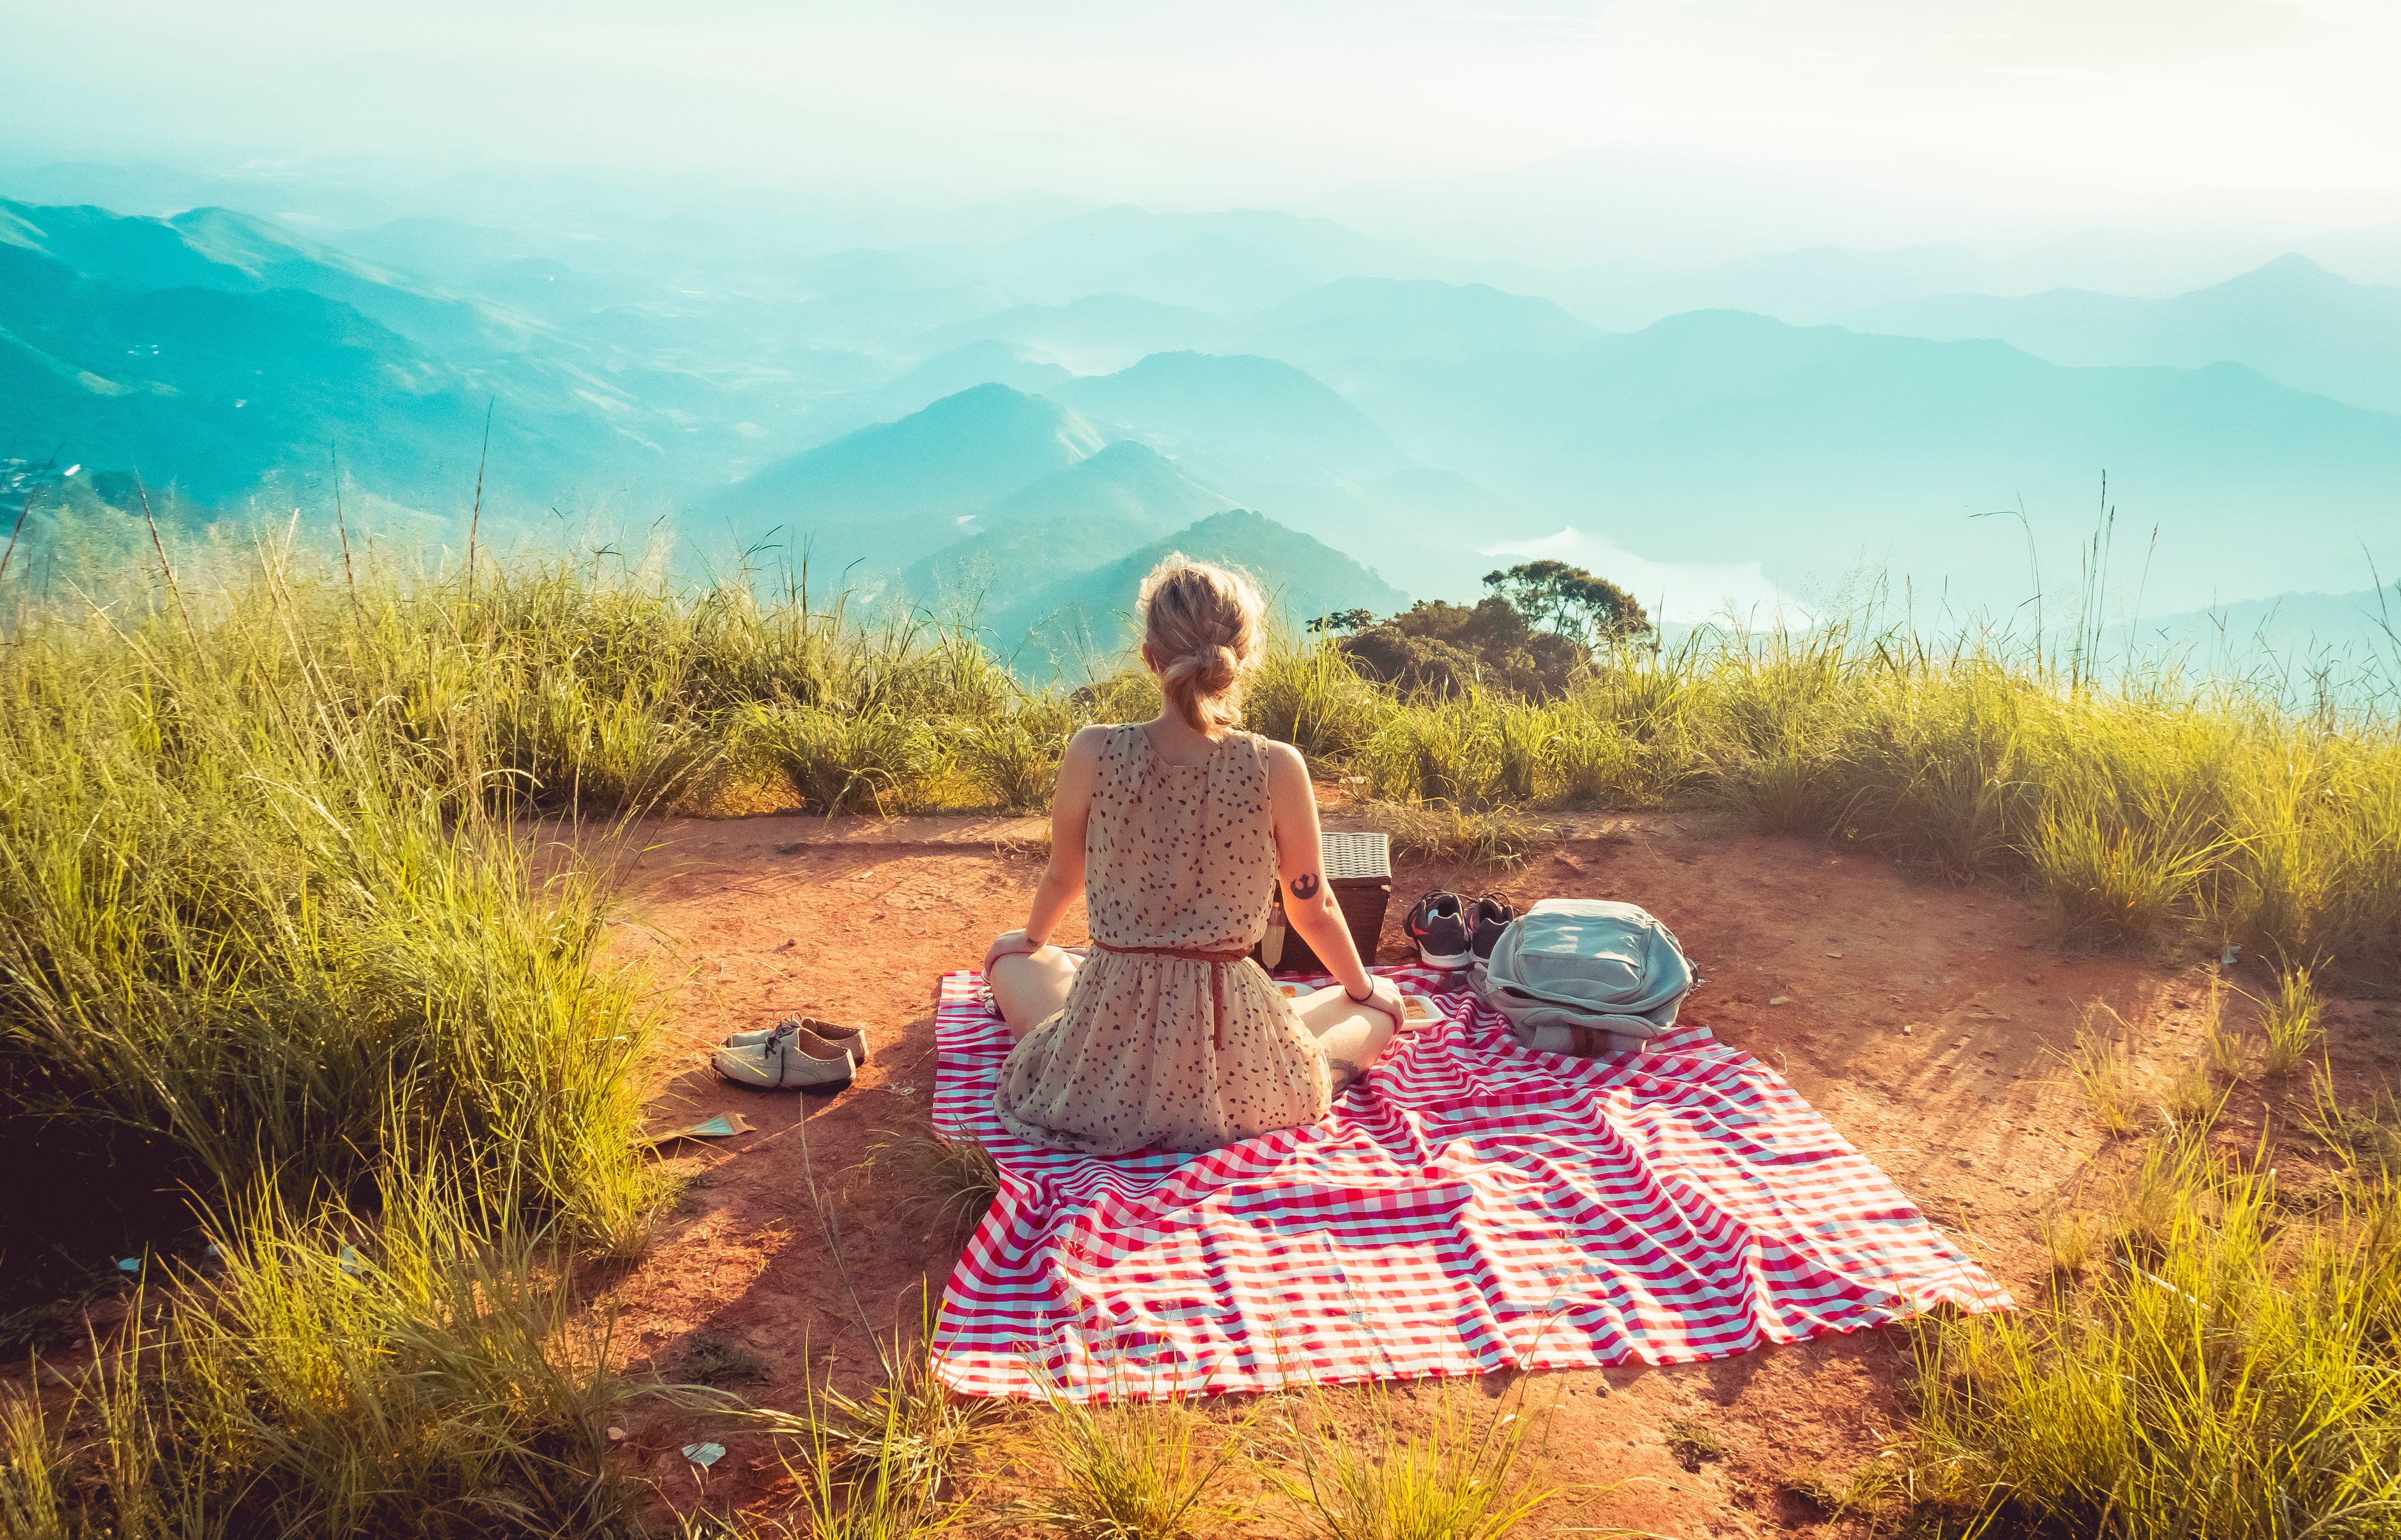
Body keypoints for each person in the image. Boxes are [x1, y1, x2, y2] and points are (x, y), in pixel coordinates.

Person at [982, 555, 1405, 1157]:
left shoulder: (1092, 751)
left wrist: (1029, 937)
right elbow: (1314, 908)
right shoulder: (1277, 765)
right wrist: (1364, 988)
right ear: (1242, 658)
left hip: (1109, 1038)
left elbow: (1063, 876)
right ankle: (1326, 1014)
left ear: (1151, 657)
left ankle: (1071, 1023)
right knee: (1375, 1008)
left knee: (1014, 961)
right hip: (1232, 1045)